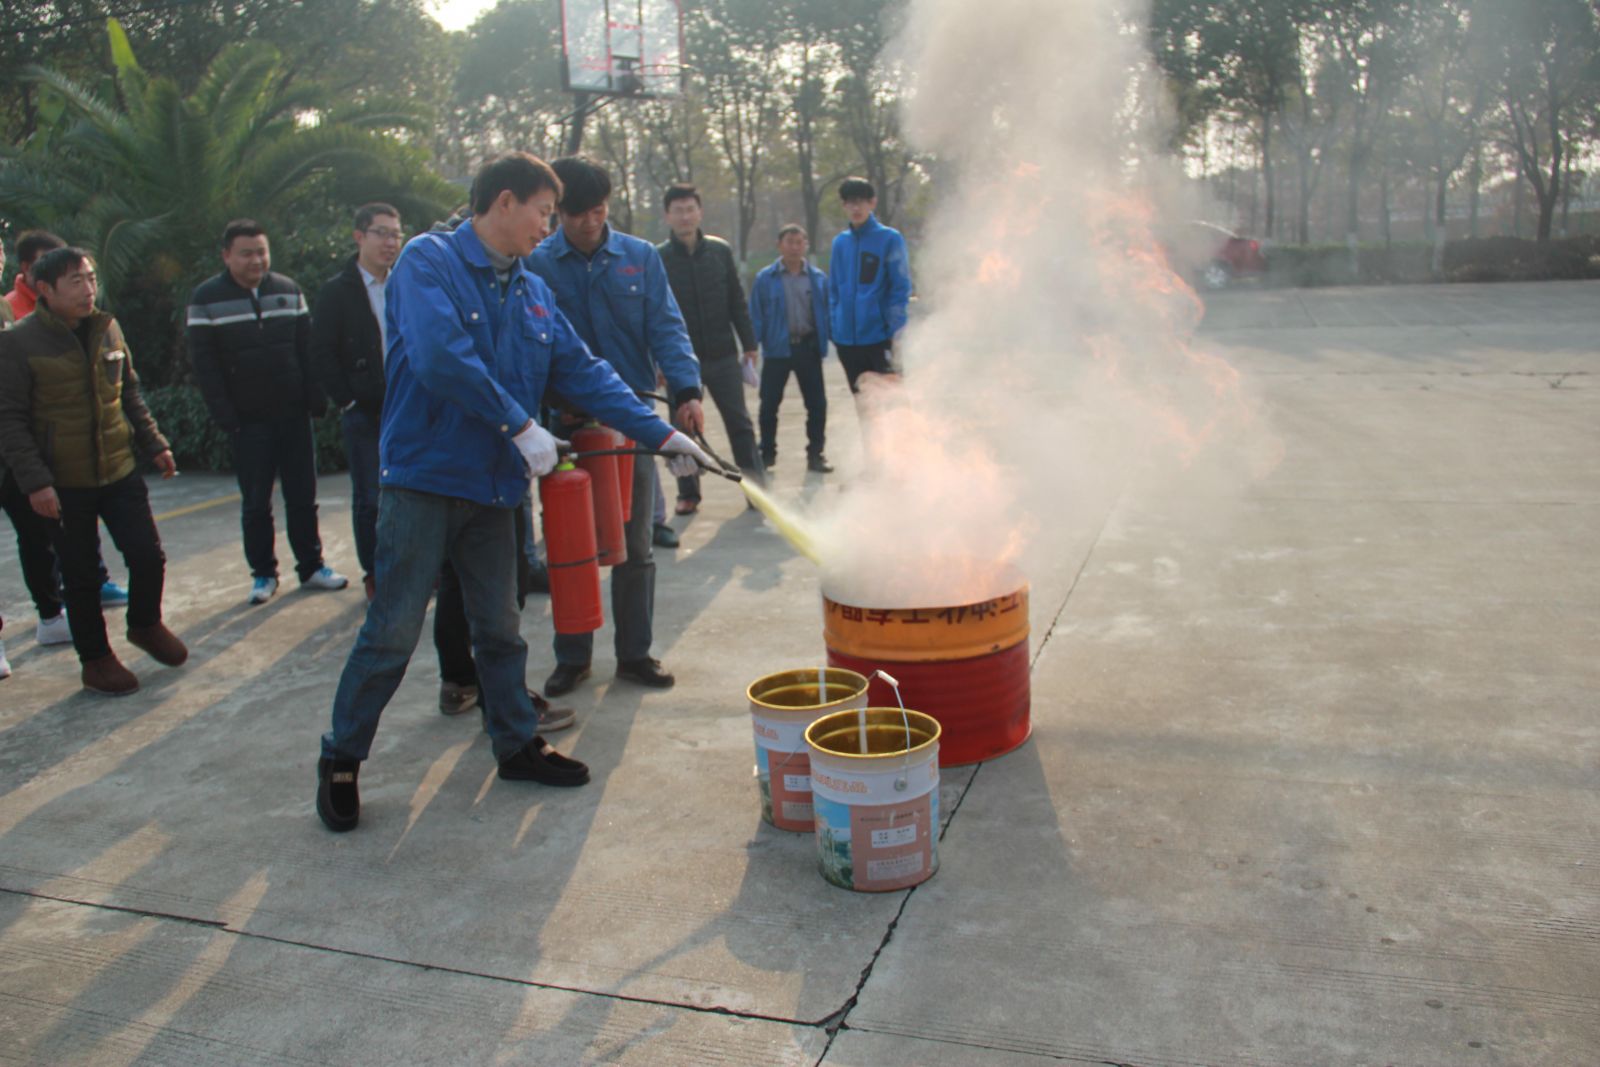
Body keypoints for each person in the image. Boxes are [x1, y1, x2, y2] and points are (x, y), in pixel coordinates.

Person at [315, 151, 712, 832]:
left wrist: (662, 433)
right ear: (504, 201)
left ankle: (516, 742)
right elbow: (440, 357)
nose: (547, 228)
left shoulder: (531, 289)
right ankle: (342, 758)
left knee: (500, 627)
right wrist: (520, 424)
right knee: (394, 629)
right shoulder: (428, 262)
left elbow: (585, 371)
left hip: (494, 486)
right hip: (424, 480)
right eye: (543, 213)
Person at [527, 156, 706, 697]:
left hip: (634, 422)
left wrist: (687, 391)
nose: (589, 223)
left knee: (635, 544)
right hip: (567, 428)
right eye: (576, 214)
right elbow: (531, 347)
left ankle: (634, 654)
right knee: (570, 545)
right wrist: (550, 405)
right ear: (558, 212)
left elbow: (667, 328)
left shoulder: (639, 257)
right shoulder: (537, 264)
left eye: (598, 211)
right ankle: (573, 656)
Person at [0, 247, 187, 695]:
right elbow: (9, 419)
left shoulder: (108, 328)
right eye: (76, 282)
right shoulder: (18, 343)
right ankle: (96, 660)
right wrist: (36, 483)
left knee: (147, 555)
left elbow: (129, 393)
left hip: (119, 468)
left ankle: (145, 624)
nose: (88, 290)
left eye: (91, 279)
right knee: (81, 575)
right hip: (63, 482)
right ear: (45, 290)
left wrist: (155, 443)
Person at [187, 219, 347, 604]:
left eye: (261, 252)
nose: (256, 260)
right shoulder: (206, 299)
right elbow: (205, 366)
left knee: (303, 496)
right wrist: (225, 415)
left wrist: (315, 398)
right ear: (227, 256)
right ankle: (263, 574)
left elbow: (307, 349)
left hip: (293, 414)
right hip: (247, 421)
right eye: (246, 253)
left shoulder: (288, 290)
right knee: (256, 502)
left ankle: (312, 566)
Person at [655, 182, 765, 513]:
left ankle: (757, 491)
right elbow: (653, 312)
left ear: (700, 212)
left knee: (740, 424)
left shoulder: (720, 251)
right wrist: (658, 360)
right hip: (679, 360)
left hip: (722, 355)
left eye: (690, 209)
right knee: (683, 428)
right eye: (678, 211)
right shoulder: (658, 258)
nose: (685, 216)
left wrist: (748, 343)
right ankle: (688, 493)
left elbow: (736, 300)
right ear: (667, 216)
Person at [750, 224, 833, 473]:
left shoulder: (818, 278)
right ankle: (767, 454)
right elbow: (756, 315)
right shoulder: (765, 279)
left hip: (808, 348)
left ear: (806, 245)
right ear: (780, 245)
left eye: (799, 242)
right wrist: (751, 346)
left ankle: (816, 455)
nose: (795, 247)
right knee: (769, 405)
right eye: (790, 242)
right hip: (777, 350)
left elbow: (827, 313)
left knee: (817, 405)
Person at [828, 177, 912, 392]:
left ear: (872, 203)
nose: (856, 208)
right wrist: (836, 327)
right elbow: (834, 289)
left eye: (861, 202)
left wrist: (894, 330)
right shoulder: (840, 243)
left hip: (880, 337)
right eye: (850, 202)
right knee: (863, 400)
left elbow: (900, 287)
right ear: (844, 205)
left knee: (893, 399)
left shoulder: (889, 238)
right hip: (847, 341)